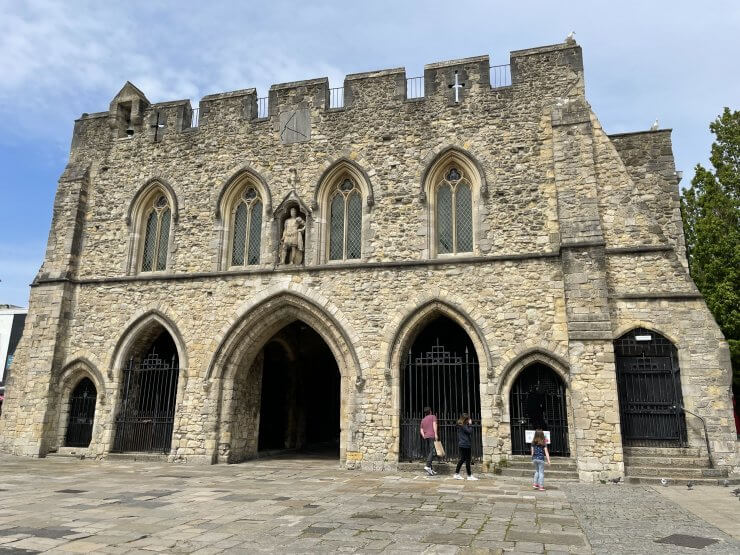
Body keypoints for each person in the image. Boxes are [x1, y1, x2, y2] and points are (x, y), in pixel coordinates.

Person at [453, 413, 478, 481]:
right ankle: (467, 475)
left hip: (464, 444)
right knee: (466, 460)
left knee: (464, 459)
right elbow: (469, 431)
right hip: (465, 444)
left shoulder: (461, 425)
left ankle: (458, 474)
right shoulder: (463, 426)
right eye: (468, 419)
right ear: (465, 419)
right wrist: (470, 424)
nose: (469, 420)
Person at [419, 406, 438, 475]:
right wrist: (436, 434)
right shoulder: (433, 417)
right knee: (433, 451)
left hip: (426, 437)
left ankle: (431, 469)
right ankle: (427, 466)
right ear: (430, 411)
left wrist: (423, 435)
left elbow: (421, 429)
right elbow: (434, 425)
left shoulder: (423, 419)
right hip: (432, 436)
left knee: (429, 452)